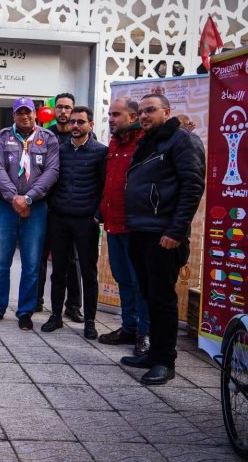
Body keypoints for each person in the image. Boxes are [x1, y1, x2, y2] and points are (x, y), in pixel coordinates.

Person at [120, 93, 205, 385]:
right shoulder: (148, 141)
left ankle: (165, 361)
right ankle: (153, 353)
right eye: (141, 111)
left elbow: (192, 186)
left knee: (162, 299)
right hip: (140, 230)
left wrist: (176, 231)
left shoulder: (183, 140)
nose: (144, 115)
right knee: (149, 295)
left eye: (151, 110)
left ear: (167, 112)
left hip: (163, 234)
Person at [0, 97, 59, 330]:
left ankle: (25, 312)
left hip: (36, 208)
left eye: (28, 112)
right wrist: (14, 198)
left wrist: (29, 198)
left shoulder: (48, 138)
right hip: (6, 208)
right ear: (14, 115)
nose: (24, 116)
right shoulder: (3, 137)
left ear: (35, 114)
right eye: (20, 113)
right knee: (0, 263)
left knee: (31, 263)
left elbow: (52, 171)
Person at [41, 106, 107, 339]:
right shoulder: (58, 150)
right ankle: (55, 316)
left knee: (88, 272)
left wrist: (97, 215)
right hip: (59, 219)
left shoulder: (101, 152)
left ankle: (90, 321)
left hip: (86, 221)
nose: (76, 126)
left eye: (81, 122)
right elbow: (50, 181)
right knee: (58, 271)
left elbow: (105, 187)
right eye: (73, 122)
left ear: (91, 125)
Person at [97, 98, 150, 355]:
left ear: (133, 117)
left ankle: (145, 333)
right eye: (109, 114)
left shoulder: (145, 143)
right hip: (113, 224)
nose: (111, 119)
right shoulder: (114, 143)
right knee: (123, 279)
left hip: (135, 227)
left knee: (140, 282)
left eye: (116, 114)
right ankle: (129, 326)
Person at [37, 91, 84, 321]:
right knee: (39, 255)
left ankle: (73, 305)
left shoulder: (81, 136)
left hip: (71, 207)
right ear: (54, 110)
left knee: (72, 260)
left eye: (68, 108)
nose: (63, 112)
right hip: (45, 205)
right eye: (60, 107)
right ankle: (35, 300)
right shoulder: (45, 135)